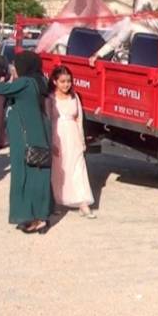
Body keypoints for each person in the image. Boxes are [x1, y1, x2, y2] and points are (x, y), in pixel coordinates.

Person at [0, 51, 53, 234]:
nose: (14, 67)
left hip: (27, 137)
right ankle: (38, 216)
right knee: (36, 177)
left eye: (17, 65)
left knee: (27, 177)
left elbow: (2, 89)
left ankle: (36, 218)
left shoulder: (26, 83)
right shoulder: (37, 81)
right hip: (33, 135)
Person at [46, 66, 96, 218]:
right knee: (59, 170)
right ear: (55, 81)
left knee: (78, 169)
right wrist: (50, 142)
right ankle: (56, 201)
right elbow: (47, 121)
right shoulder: (50, 99)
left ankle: (83, 203)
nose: (66, 85)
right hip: (57, 135)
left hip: (73, 135)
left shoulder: (74, 97)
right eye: (62, 81)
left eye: (68, 81)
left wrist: (82, 140)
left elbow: (79, 119)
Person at [89, 0, 158, 66]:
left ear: (136, 7)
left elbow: (117, 41)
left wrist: (98, 54)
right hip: (156, 63)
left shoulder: (132, 22)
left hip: (134, 62)